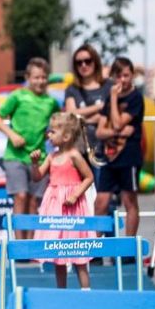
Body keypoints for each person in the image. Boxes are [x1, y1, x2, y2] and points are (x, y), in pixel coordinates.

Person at [0, 58, 59, 237]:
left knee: (34, 201)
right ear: (28, 77)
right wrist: (12, 135)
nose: (40, 81)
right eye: (36, 77)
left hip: (39, 156)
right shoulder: (17, 96)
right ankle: (18, 243)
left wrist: (51, 135)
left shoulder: (50, 102)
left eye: (44, 77)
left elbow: (57, 124)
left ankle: (31, 244)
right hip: (15, 155)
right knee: (21, 196)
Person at [29, 113, 95, 289]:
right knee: (58, 252)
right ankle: (61, 292)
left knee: (77, 251)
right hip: (54, 206)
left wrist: (75, 195)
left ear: (66, 136)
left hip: (71, 206)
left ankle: (86, 292)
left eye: (52, 132)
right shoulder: (51, 157)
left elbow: (89, 177)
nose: (48, 135)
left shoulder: (74, 155)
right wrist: (34, 163)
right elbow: (37, 177)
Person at [93, 57, 144, 236]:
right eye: (119, 76)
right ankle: (95, 245)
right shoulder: (109, 98)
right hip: (109, 155)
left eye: (126, 75)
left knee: (129, 200)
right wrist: (118, 132)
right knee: (101, 201)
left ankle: (129, 246)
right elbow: (100, 131)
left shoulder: (135, 98)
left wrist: (114, 99)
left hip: (128, 156)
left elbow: (115, 123)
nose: (123, 80)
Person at [63, 44, 107, 163]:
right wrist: (99, 107)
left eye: (88, 61)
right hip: (79, 150)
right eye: (79, 62)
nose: (83, 65)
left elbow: (109, 116)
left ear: (95, 62)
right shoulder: (72, 89)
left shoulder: (108, 86)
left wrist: (82, 118)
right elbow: (71, 114)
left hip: (104, 149)